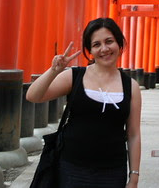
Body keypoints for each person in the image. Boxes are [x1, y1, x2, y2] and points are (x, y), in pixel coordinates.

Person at [26, 18, 142, 188]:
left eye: (109, 41)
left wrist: (134, 177)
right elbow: (33, 96)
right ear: (90, 51)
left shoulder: (131, 87)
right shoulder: (75, 76)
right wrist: (53, 71)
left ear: (119, 43)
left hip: (113, 171)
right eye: (96, 44)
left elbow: (133, 135)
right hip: (72, 168)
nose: (104, 49)